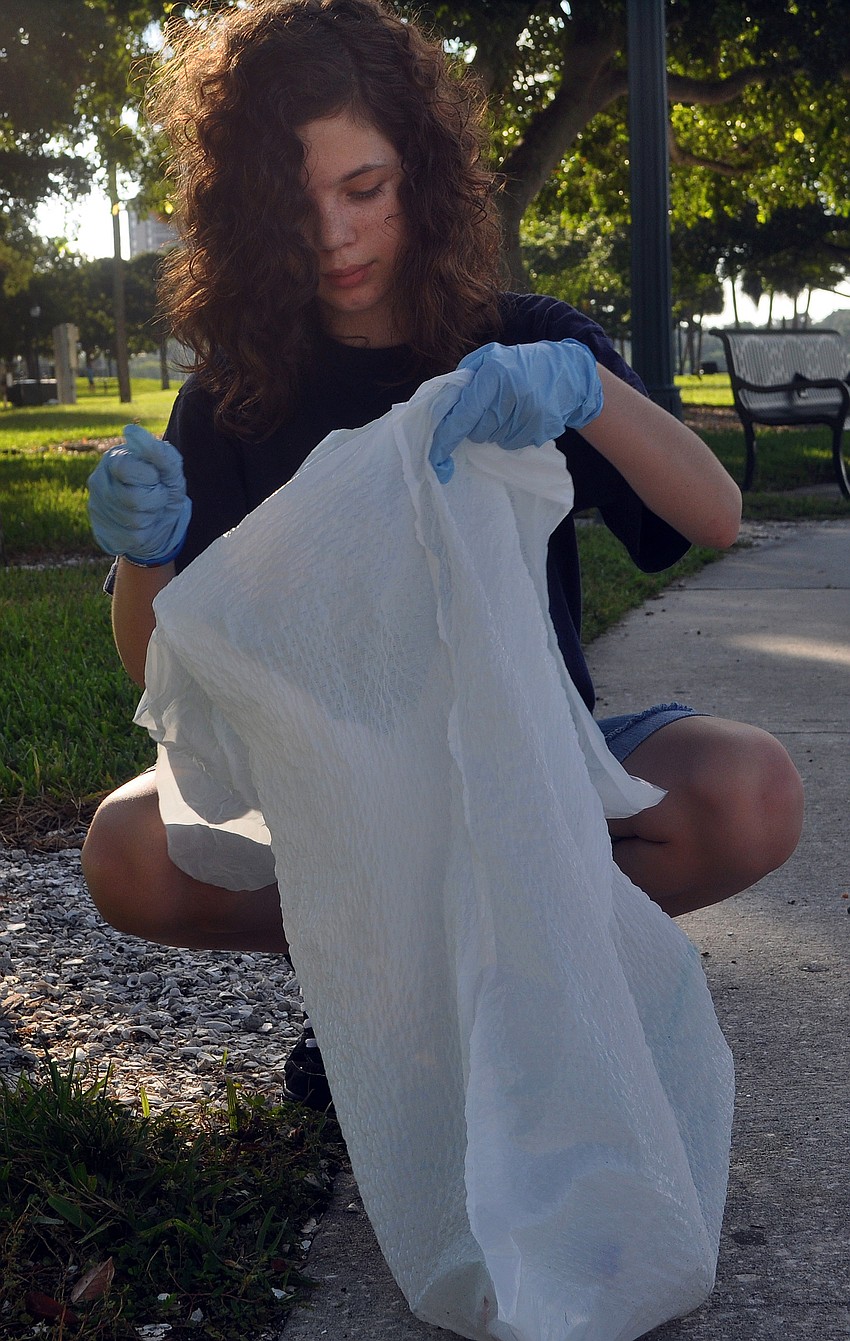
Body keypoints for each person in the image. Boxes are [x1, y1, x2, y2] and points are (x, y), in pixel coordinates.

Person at [82, 0, 803, 1109]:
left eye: (363, 189)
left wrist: (580, 386)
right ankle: (368, 984)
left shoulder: (520, 341)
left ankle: (525, 962)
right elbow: (154, 665)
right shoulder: (233, 394)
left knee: (750, 790)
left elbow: (711, 515)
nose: (333, 236)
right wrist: (147, 552)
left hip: (535, 779)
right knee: (126, 850)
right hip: (335, 809)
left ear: (421, 172)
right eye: (295, 202)